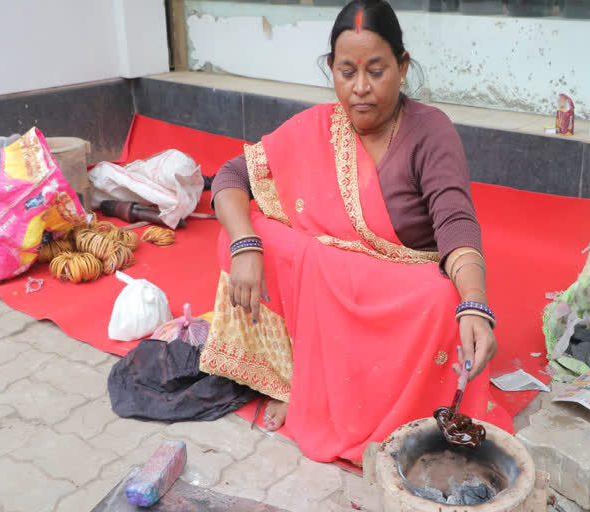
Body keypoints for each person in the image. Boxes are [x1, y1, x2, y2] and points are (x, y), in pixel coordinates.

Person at [203, 0, 501, 463]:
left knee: (446, 303)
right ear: (331, 70)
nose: (360, 89)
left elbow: (456, 223)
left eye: (377, 71)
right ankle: (294, 378)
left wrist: (475, 303)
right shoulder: (318, 126)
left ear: (402, 67)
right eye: (346, 72)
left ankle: (342, 393)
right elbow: (229, 177)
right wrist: (245, 245)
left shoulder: (430, 132)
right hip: (328, 287)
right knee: (240, 233)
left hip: (398, 297)